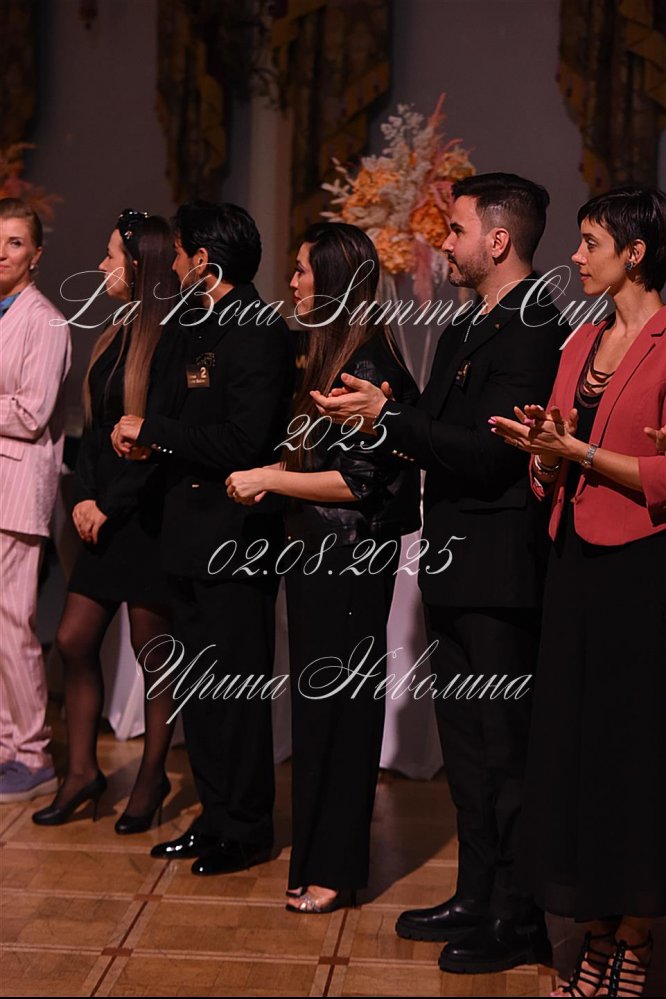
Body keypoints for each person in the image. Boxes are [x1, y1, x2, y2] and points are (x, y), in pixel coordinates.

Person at [313, 174, 566, 971]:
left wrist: (390, 418)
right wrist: (380, 409)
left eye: (455, 230)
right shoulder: (465, 322)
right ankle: (475, 893)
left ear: (498, 239)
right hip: (455, 563)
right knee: (465, 748)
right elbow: (432, 425)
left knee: (504, 750)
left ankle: (518, 918)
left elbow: (492, 453)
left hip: (501, 570)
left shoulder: (535, 326)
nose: (443, 243)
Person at [491, 186, 666, 998]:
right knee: (576, 746)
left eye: (591, 241)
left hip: (643, 570)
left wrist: (581, 454)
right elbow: (554, 458)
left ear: (636, 251)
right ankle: (593, 925)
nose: (575, 254)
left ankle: (634, 932)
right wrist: (542, 450)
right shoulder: (580, 341)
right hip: (574, 562)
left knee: (633, 748)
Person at [226, 221, 421, 914]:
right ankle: (316, 859)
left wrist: (268, 478)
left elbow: (356, 482)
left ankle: (336, 867)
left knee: (341, 715)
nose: (292, 281)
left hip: (349, 561)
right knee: (319, 714)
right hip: (320, 557)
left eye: (303, 269)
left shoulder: (365, 362)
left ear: (333, 279)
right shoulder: (328, 351)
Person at [112, 201, 294, 875]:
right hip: (189, 535)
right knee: (202, 692)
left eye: (183, 253)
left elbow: (246, 441)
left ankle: (246, 828)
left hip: (235, 539)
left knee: (236, 693)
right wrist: (147, 440)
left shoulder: (258, 330)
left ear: (205, 261)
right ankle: (215, 816)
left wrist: (156, 432)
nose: (177, 264)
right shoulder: (197, 323)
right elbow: (178, 415)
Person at [31, 210, 182, 830]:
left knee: (152, 652)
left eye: (111, 255)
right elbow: (95, 433)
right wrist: (84, 497)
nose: (101, 266)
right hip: (100, 513)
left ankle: (151, 776)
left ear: (140, 265)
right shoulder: (115, 331)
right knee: (73, 639)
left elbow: (158, 449)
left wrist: (108, 504)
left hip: (145, 519)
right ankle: (82, 773)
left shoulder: (170, 339)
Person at [0, 198, 71, 802]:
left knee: (12, 624)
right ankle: (7, 747)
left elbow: (31, 413)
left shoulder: (44, 321)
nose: (1, 252)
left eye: (15, 242)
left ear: (36, 255)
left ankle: (32, 752)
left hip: (17, 490)